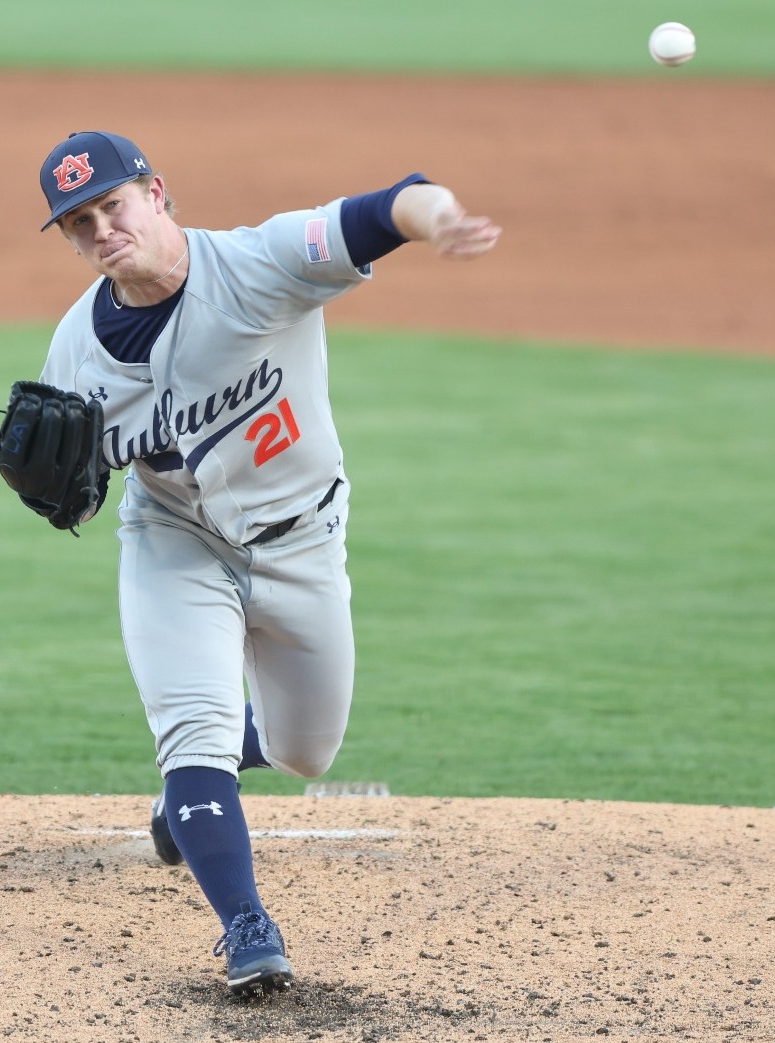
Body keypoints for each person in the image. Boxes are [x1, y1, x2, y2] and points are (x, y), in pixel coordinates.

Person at [30, 130, 500, 996]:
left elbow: (388, 205)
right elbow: (79, 491)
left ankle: (196, 791)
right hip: (175, 542)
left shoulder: (259, 264)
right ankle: (247, 925)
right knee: (192, 731)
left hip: (305, 543)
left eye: (111, 206)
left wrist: (439, 219)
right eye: (78, 223)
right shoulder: (75, 349)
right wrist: (64, 498)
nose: (100, 230)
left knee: (306, 751)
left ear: (155, 193)